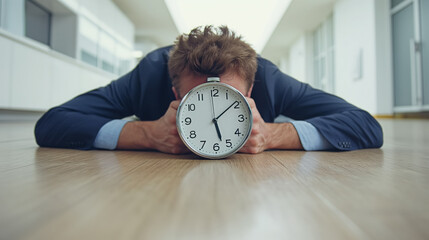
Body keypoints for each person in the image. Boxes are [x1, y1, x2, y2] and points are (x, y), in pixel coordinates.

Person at [34, 26, 383, 154]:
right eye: (195, 101)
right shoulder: (151, 73)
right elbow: (53, 122)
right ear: (173, 91)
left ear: (251, 90)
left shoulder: (270, 80)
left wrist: (274, 135)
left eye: (232, 102)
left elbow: (366, 124)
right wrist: (145, 134)